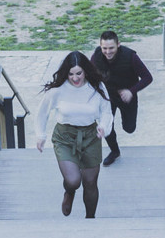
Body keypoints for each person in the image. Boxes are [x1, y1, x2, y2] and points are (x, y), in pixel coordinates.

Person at [36, 51, 114, 218]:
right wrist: (40, 135)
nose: (75, 78)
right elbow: (42, 113)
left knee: (90, 182)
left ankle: (90, 219)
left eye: (79, 73)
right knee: (73, 180)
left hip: (91, 136)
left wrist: (103, 127)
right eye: (71, 74)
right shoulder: (58, 90)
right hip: (65, 137)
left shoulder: (96, 87)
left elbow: (107, 111)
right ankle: (69, 191)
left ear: (85, 71)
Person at [90, 30, 153, 166]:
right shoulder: (96, 56)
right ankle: (114, 151)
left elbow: (148, 77)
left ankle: (123, 126)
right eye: (104, 48)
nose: (108, 52)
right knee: (107, 127)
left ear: (118, 44)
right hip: (107, 98)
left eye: (111, 48)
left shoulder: (130, 56)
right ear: (100, 46)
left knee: (129, 128)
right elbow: (90, 76)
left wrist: (131, 91)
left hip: (127, 97)